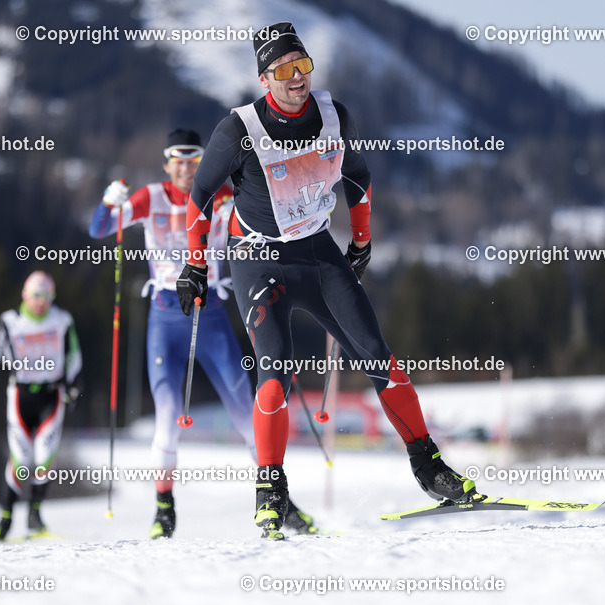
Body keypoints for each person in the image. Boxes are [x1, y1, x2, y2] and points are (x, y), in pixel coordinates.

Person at [177, 22, 477, 539]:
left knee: (381, 358)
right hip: (258, 260)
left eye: (304, 65)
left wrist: (361, 242)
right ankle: (270, 492)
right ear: (265, 77)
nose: (298, 78)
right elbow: (200, 196)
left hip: (317, 254)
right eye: (285, 70)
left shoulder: (335, 116)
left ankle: (430, 468)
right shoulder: (238, 130)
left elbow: (358, 180)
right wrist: (195, 265)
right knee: (274, 375)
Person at [89, 129, 319, 538]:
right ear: (166, 164)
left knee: (248, 415)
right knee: (166, 417)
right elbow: (99, 228)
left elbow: (272, 219)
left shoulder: (223, 194)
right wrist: (110, 200)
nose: (186, 168)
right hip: (165, 316)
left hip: (210, 313)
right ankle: (164, 509)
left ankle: (279, 501)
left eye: (194, 161)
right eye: (177, 161)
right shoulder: (151, 197)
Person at [0, 271, 83, 541]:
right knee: (20, 459)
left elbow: (75, 357)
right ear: (25, 294)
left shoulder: (62, 320)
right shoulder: (10, 323)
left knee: (45, 456)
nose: (41, 302)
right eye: (36, 295)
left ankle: (35, 515)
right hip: (20, 396)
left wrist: (74, 384)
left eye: (47, 296)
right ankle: (5, 519)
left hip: (51, 395)